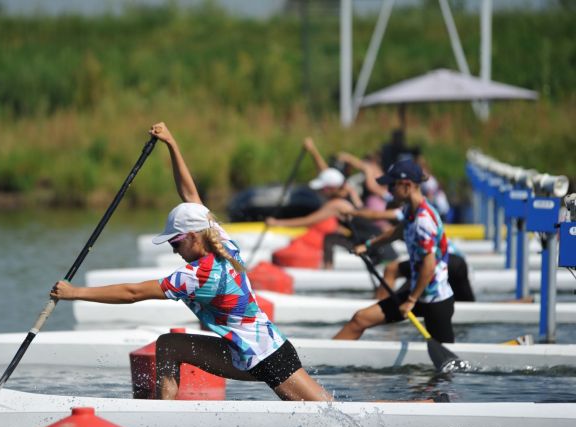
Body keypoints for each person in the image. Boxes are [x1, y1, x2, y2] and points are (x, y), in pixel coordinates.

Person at [50, 122, 332, 402]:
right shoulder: (221, 240)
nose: (174, 250)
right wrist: (172, 144)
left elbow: (132, 293)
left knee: (330, 415)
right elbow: (190, 196)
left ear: (194, 237)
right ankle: (165, 415)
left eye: (175, 242)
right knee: (170, 346)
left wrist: (75, 293)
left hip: (267, 356)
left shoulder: (196, 276)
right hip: (245, 352)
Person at [333, 159, 456, 343]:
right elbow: (397, 232)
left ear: (406, 185)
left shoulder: (423, 220)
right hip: (418, 292)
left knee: (447, 367)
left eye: (391, 186)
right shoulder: (411, 210)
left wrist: (411, 300)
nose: (389, 191)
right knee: (360, 319)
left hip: (434, 300)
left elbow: (429, 266)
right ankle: (321, 362)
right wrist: (367, 246)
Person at [266, 138, 397, 269]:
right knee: (329, 237)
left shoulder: (337, 205)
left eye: (323, 189)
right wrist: (313, 151)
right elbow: (326, 173)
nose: (321, 192)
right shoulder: (348, 189)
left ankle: (328, 270)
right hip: (372, 241)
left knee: (330, 238)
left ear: (331, 189)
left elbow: (308, 221)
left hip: (380, 250)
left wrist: (277, 223)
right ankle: (328, 268)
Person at [343, 206, 475, 302]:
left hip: (446, 261)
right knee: (467, 302)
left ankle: (380, 304)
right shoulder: (414, 214)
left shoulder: (407, 213)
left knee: (391, 269)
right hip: (460, 263)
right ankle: (387, 303)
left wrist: (352, 212)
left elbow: (375, 215)